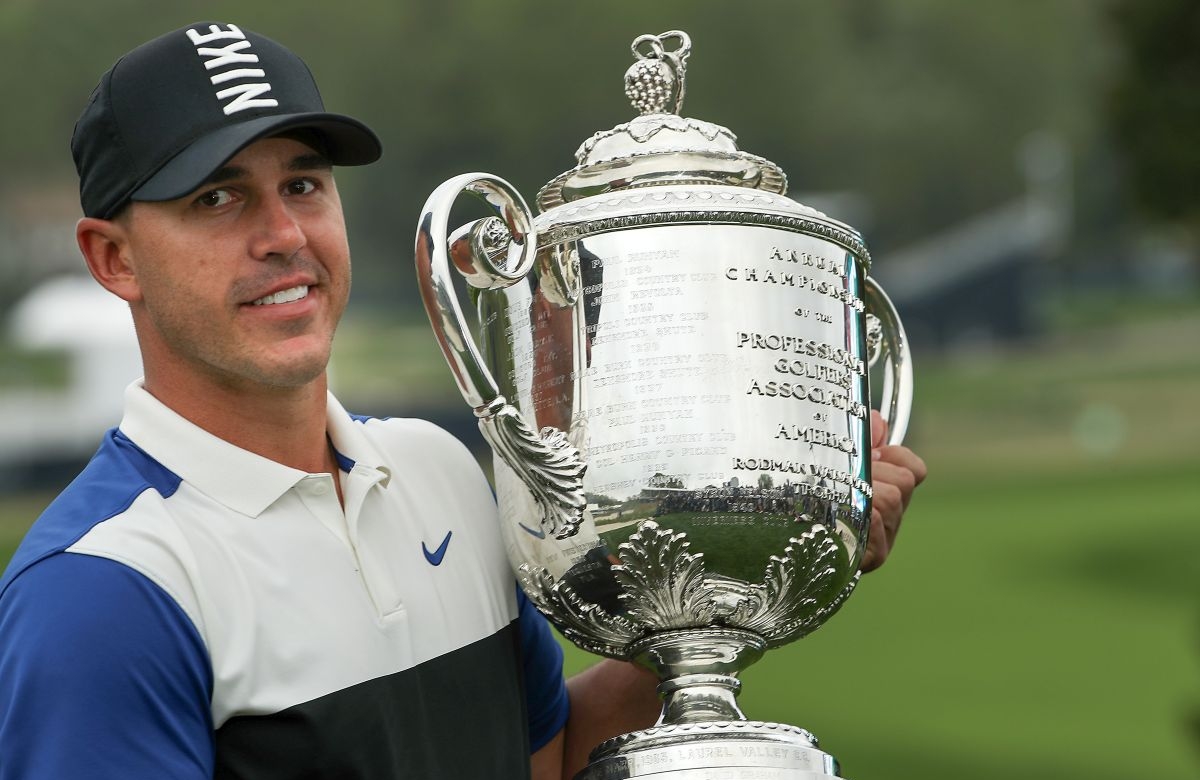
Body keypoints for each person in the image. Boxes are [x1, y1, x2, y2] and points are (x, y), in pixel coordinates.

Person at [0, 21, 926, 780]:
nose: (283, 234)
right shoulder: (104, 592)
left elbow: (548, 762)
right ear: (113, 259)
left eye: (304, 185)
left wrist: (732, 588)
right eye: (216, 200)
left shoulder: (439, 475)